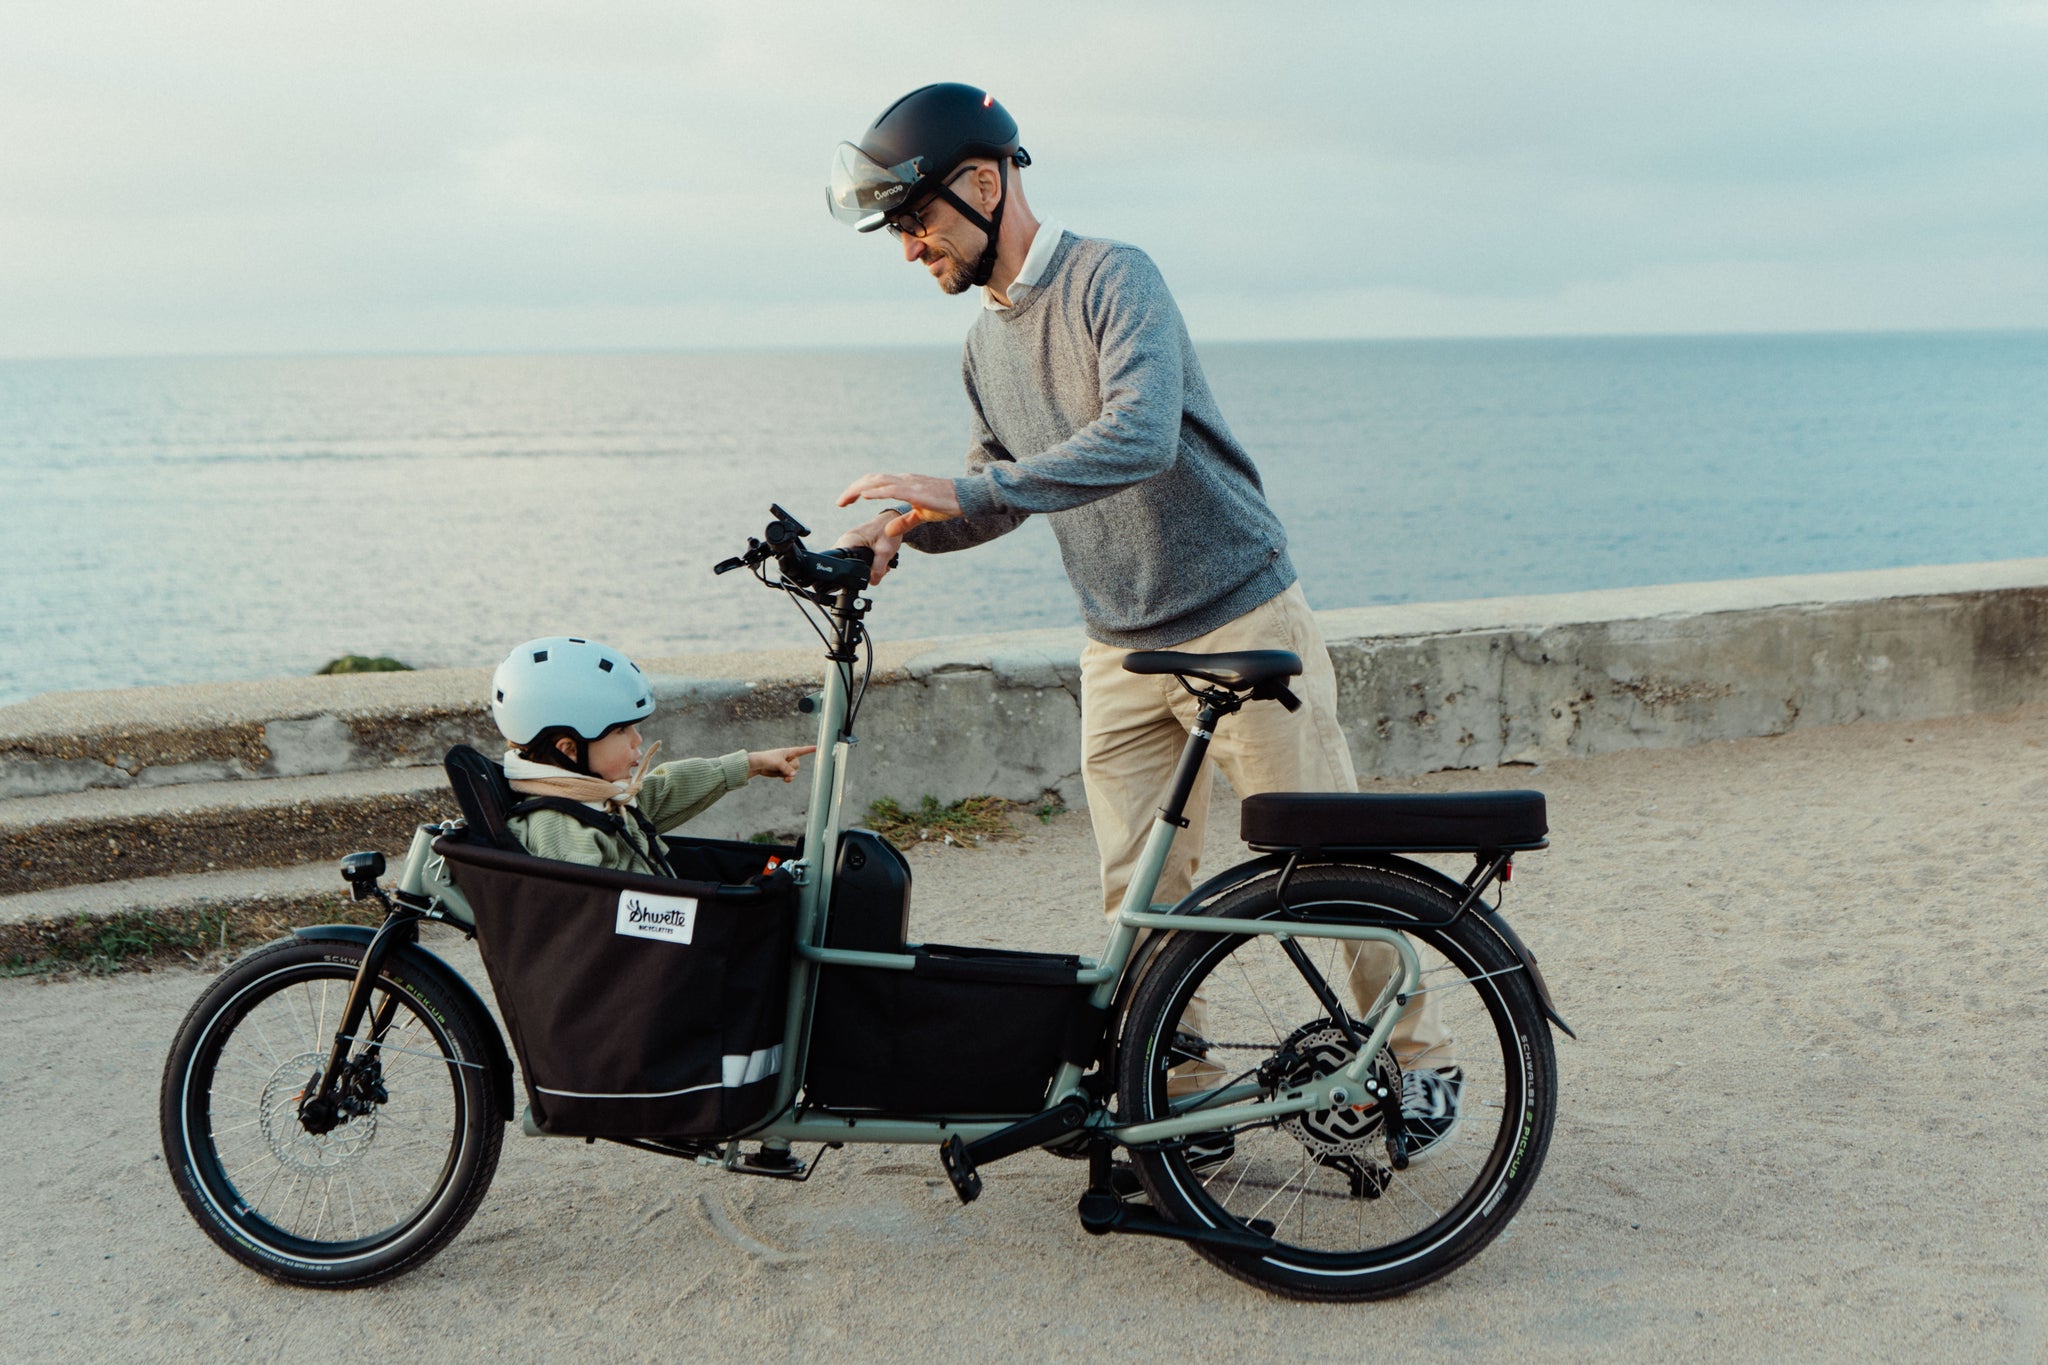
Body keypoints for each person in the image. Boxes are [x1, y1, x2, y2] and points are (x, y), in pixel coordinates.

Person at [824, 84, 1462, 1147]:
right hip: (1119, 646)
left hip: (1239, 619)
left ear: (983, 183)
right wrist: (905, 528)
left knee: (1321, 867)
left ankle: (1420, 1061)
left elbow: (1138, 437)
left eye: (916, 220)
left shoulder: (1113, 277)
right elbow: (1000, 489)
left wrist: (965, 488)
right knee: (1140, 890)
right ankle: (1183, 1092)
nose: (908, 249)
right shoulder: (984, 344)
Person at [489, 636, 813, 874]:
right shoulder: (559, 828)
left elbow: (665, 789)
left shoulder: (594, 799)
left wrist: (750, 764)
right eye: (621, 730)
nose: (637, 739)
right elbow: (586, 918)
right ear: (569, 750)